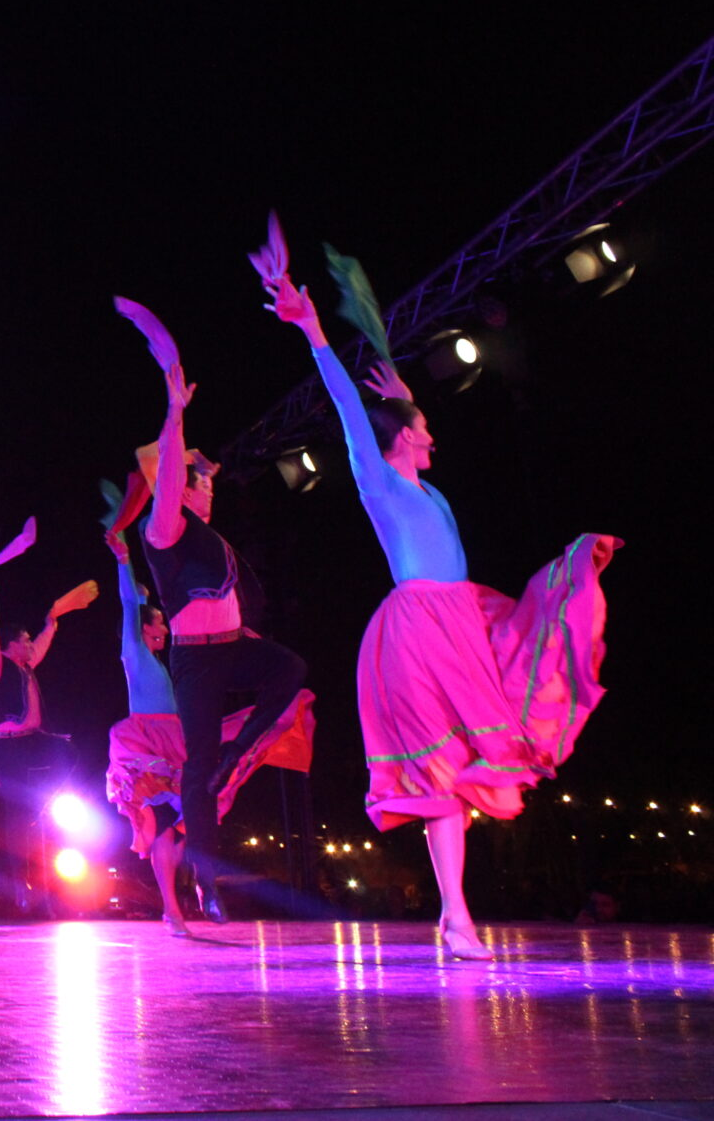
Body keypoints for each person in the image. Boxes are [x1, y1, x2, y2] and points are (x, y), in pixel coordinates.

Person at [263, 266, 619, 960]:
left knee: (477, 750)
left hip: (464, 620)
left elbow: (398, 412)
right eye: (422, 430)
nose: (432, 438)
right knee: (440, 781)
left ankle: (455, 915)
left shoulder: (428, 490)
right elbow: (348, 410)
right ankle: (456, 916)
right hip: (418, 635)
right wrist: (311, 329)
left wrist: (399, 391)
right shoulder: (380, 481)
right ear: (399, 442)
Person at [139, 357, 310, 921]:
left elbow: (235, 596)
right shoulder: (166, 531)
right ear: (180, 490)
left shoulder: (214, 539)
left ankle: (233, 757)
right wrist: (174, 416)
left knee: (289, 669)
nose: (209, 492)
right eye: (201, 484)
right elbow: (165, 477)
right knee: (197, 770)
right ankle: (207, 882)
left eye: (210, 484)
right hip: (197, 665)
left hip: (235, 648)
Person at [101, 525, 317, 935]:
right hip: (146, 741)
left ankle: (190, 891)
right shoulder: (134, 652)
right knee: (163, 823)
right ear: (143, 629)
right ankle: (172, 909)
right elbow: (131, 602)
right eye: (158, 624)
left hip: (178, 739)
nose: (165, 629)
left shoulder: (170, 664)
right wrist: (123, 559)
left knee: (187, 822)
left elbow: (142, 602)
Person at [0, 517, 96, 912]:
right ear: (12, 645)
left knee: (76, 754)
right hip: (10, 747)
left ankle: (45, 812)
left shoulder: (27, 665)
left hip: (33, 743)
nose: (31, 645)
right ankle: (19, 887)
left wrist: (54, 618)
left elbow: (45, 639)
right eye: (25, 641)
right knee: (15, 817)